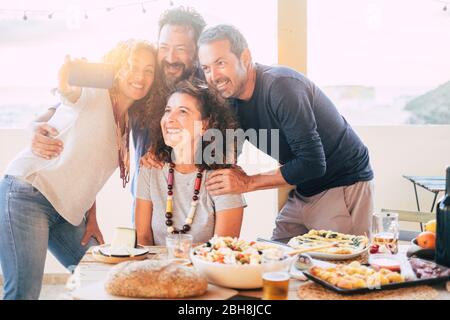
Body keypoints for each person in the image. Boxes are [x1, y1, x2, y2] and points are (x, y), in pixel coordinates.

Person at [0, 39, 158, 300]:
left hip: (68, 214)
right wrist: (67, 75)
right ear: (117, 67)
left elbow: (89, 167)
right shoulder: (94, 92)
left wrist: (91, 217)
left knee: (106, 278)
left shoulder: (128, 120)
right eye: (131, 66)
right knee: (22, 293)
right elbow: (69, 91)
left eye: (148, 70)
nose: (139, 76)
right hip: (28, 194)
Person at [28, 7, 207, 219]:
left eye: (180, 49)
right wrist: (33, 128)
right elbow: (69, 104)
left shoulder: (205, 89)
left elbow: (221, 144)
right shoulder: (145, 80)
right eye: (164, 47)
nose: (170, 57)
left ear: (196, 50)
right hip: (147, 201)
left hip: (197, 199)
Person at [197, 25, 374, 239]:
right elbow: (223, 155)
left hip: (343, 184)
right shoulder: (232, 100)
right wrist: (167, 152)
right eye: (206, 68)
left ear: (245, 57)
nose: (213, 76)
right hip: (303, 190)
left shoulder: (281, 86)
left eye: (221, 63)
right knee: (276, 261)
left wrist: (247, 182)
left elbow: (313, 163)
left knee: (336, 270)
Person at [135, 81, 245, 245]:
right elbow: (143, 238)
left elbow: (222, 248)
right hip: (156, 268)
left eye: (183, 112)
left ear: (204, 125)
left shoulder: (225, 178)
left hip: (205, 270)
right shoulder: (150, 168)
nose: (169, 119)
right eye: (168, 110)